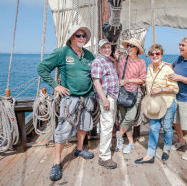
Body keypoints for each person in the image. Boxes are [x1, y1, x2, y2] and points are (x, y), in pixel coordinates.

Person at [37, 25, 95, 181]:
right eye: (78, 35)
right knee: (63, 130)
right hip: (70, 99)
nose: (82, 38)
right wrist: (56, 86)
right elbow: (42, 68)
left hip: (87, 97)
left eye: (84, 36)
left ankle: (79, 149)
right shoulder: (62, 52)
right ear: (71, 37)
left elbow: (99, 69)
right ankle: (57, 162)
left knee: (83, 125)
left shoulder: (89, 55)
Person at [135, 44, 179, 164]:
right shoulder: (149, 67)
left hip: (168, 103)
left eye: (157, 54)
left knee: (166, 127)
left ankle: (166, 149)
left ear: (161, 55)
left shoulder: (167, 69)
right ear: (149, 55)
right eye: (152, 54)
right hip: (154, 104)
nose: (154, 56)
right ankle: (150, 154)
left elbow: (175, 89)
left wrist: (160, 90)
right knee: (153, 128)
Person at [91, 39, 119, 169]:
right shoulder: (98, 61)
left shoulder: (108, 60)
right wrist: (104, 99)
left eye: (109, 47)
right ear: (99, 49)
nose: (107, 49)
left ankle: (106, 148)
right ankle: (104, 157)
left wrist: (116, 60)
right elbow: (96, 82)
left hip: (113, 97)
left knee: (109, 124)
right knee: (107, 126)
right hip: (107, 98)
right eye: (104, 48)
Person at [116, 38, 146, 154]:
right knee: (124, 119)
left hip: (135, 92)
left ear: (137, 49)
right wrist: (115, 58)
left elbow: (142, 79)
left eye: (131, 46)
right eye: (127, 46)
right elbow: (117, 72)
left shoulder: (141, 62)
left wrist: (128, 80)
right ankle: (130, 142)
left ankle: (119, 136)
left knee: (130, 117)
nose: (128, 48)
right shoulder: (122, 59)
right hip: (122, 92)